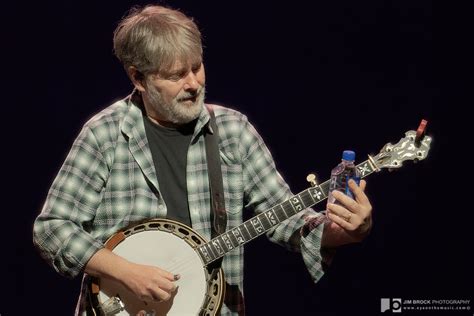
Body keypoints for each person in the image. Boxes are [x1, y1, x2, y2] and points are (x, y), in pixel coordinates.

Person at [33, 4, 373, 316]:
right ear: (138, 78)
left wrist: (343, 231)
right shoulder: (104, 135)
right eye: (176, 75)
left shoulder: (234, 131)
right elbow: (51, 230)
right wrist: (128, 273)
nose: (194, 83)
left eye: (197, 67)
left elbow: (287, 220)